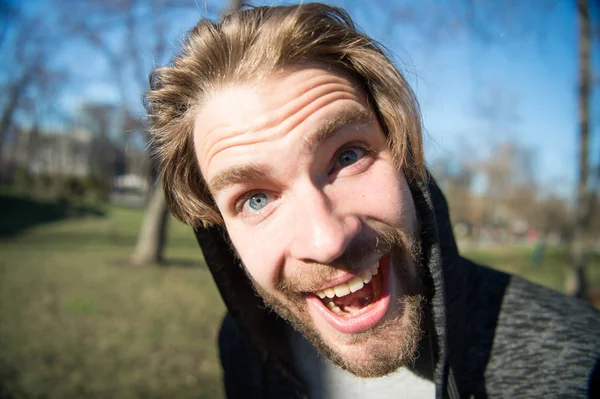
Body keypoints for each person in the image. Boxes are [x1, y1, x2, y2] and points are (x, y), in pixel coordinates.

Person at [145, 3, 600, 398]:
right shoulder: (246, 349)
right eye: (256, 199)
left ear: (405, 155)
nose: (327, 242)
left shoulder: (576, 362)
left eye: (347, 156)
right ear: (220, 229)